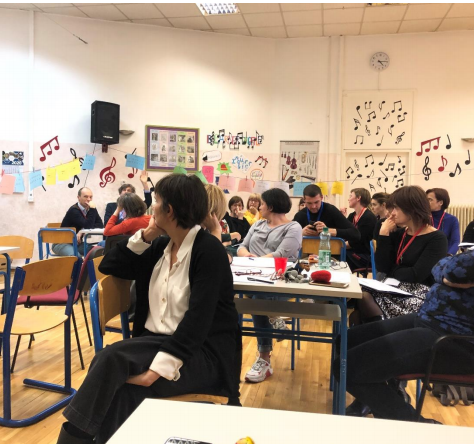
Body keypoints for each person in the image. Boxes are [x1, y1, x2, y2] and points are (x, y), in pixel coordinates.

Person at [57, 174, 240, 444]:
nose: (151, 208)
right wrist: (146, 235)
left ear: (170, 210)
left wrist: (156, 371)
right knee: (118, 382)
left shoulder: (208, 251)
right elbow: (109, 264)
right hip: (154, 345)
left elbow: (198, 321)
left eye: (155, 201)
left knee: (111, 360)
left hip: (201, 354)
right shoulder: (161, 246)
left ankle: (72, 439)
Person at [335, 250, 474, 422]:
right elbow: (438, 266)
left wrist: (448, 274)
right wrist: (448, 276)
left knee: (347, 367)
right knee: (346, 341)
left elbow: (452, 270)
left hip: (456, 340)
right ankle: (383, 401)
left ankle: (416, 425)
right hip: (428, 320)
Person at [351, 186, 448, 325]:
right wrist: (384, 235)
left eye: (396, 208)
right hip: (393, 287)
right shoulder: (399, 234)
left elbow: (416, 275)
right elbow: (382, 266)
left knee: (364, 302)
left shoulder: (437, 238)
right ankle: (379, 330)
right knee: (360, 304)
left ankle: (380, 330)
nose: (392, 213)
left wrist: (392, 270)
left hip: (419, 293)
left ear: (411, 209)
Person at [237, 188, 302, 383]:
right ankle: (275, 320)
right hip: (251, 277)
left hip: (280, 281)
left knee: (259, 299)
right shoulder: (257, 224)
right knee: (257, 296)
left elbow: (281, 255)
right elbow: (242, 246)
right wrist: (247, 256)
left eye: (262, 204)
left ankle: (264, 358)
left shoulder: (293, 227)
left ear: (271, 207)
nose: (259, 207)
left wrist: (256, 262)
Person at [293, 184, 360, 245]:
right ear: (304, 200)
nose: (313, 206)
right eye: (309, 203)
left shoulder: (331, 211)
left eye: (316, 202)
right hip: (306, 252)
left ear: (322, 197)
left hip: (329, 252)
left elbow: (355, 234)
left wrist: (328, 231)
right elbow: (287, 237)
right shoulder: (300, 215)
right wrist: (300, 233)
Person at [52, 187, 104, 257]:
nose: (89, 199)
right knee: (77, 257)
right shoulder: (74, 210)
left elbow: (100, 225)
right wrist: (92, 209)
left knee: (98, 252)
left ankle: (88, 265)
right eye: (86, 197)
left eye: (91, 197)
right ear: (78, 197)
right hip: (61, 243)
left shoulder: (91, 209)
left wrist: (82, 230)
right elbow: (88, 225)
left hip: (77, 243)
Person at [345, 188, 377, 272]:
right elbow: (344, 232)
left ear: (358, 198)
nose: (348, 199)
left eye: (350, 196)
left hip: (364, 256)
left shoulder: (369, 217)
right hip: (353, 252)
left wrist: (339, 245)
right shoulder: (352, 216)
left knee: (341, 254)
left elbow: (357, 241)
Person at [426, 188, 460, 255]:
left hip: (445, 256)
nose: (426, 203)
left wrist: (448, 256)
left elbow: (455, 242)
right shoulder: (423, 218)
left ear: (440, 203)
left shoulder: (452, 219)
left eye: (430, 200)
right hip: (427, 255)